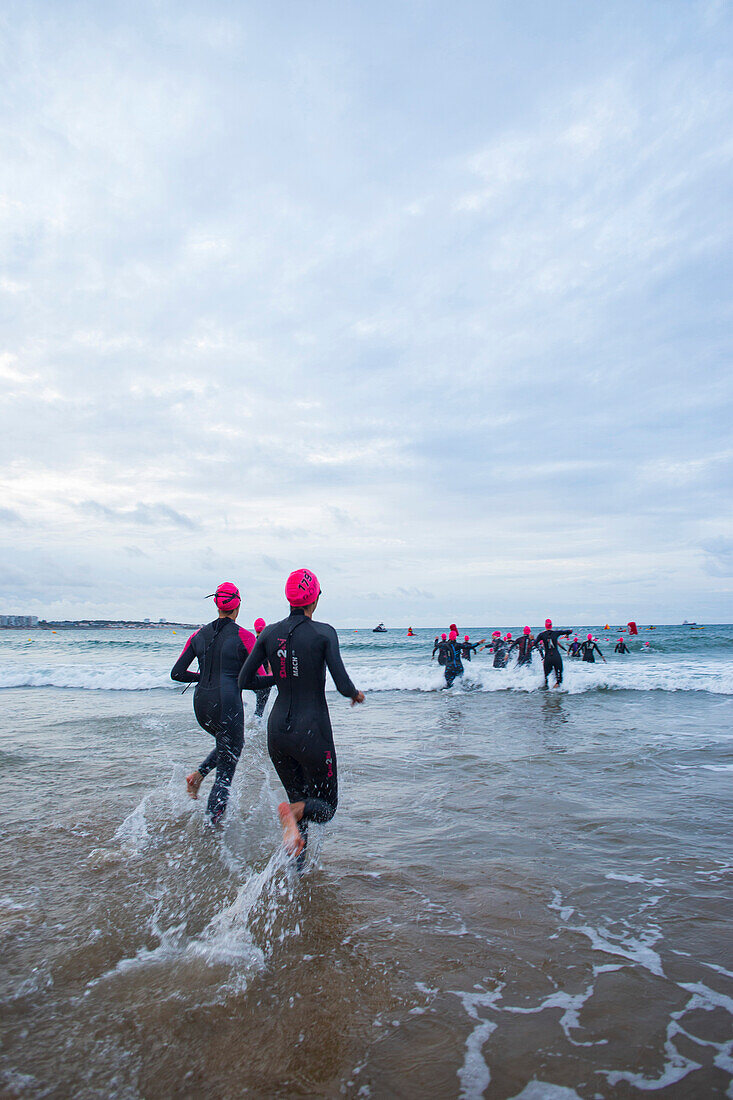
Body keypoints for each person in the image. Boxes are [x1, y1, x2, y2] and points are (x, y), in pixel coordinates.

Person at [238, 569, 364, 860]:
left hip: (278, 732)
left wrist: (282, 681)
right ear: (315, 598)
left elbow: (244, 681)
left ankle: (298, 871)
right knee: (324, 807)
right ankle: (292, 812)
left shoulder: (268, 632)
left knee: (300, 802)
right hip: (313, 733)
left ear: (289, 598)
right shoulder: (324, 633)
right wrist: (356, 695)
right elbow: (343, 685)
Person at [170, 582, 262, 825]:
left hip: (201, 706)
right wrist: (283, 679)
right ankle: (213, 830)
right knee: (226, 773)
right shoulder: (245, 636)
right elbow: (257, 681)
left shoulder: (198, 634)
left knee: (227, 743)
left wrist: (205, 676)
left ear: (217, 604)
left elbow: (177, 673)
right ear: (238, 605)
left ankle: (197, 776)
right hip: (227, 705)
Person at [534, 618, 572, 688]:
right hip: (556, 657)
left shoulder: (541, 635)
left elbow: (534, 643)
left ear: (545, 626)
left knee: (546, 679)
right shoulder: (556, 633)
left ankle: (547, 694)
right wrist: (567, 633)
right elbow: (570, 631)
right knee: (559, 678)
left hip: (547, 658)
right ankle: (557, 691)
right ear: (551, 625)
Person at [252, 617, 272, 717]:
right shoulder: (267, 644)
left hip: (253, 680)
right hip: (264, 680)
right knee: (260, 710)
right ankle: (258, 731)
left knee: (258, 708)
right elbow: (270, 664)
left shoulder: (252, 643)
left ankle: (252, 726)